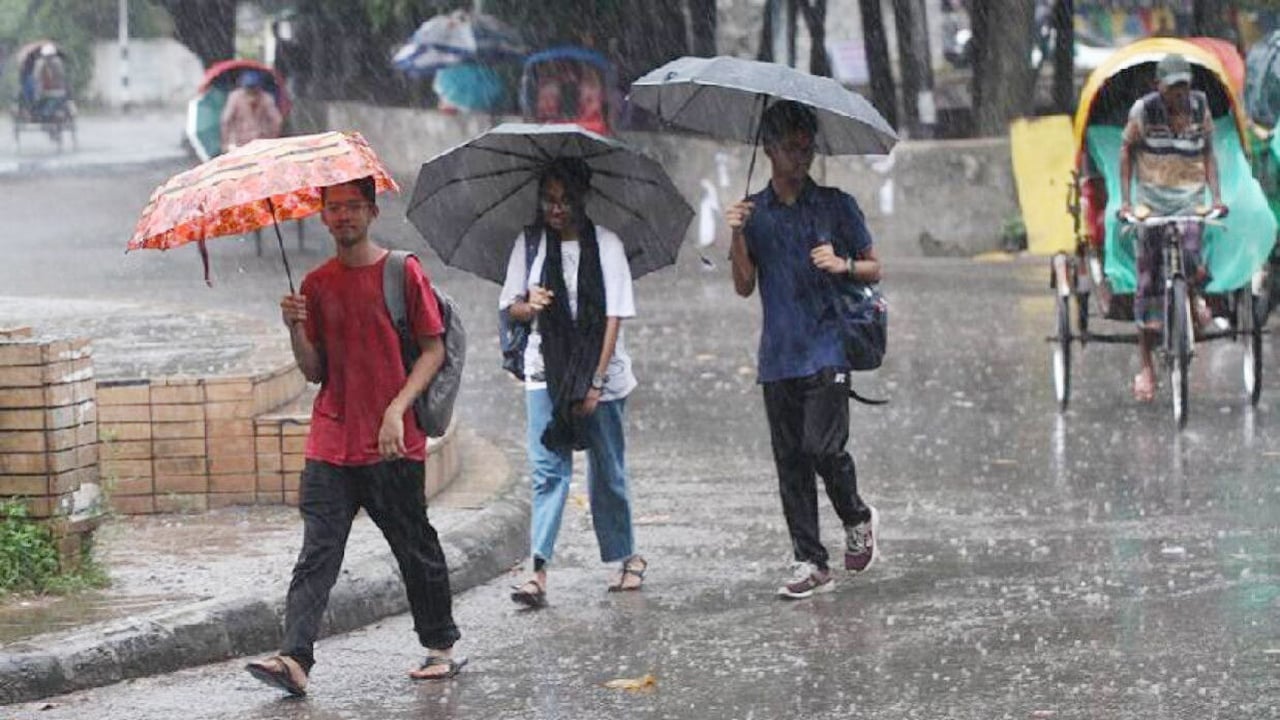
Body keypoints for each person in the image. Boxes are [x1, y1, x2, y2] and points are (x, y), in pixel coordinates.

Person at [245, 176, 464, 695]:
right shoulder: (316, 285)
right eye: (333, 208)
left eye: (352, 207)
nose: (343, 216)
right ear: (322, 216)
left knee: (413, 545)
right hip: (332, 442)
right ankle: (294, 658)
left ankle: (440, 646)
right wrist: (295, 329)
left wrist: (397, 409)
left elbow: (433, 349)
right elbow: (315, 371)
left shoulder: (401, 272)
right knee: (317, 553)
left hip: (392, 441)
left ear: (371, 212)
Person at [725, 101, 881, 600]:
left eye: (806, 147)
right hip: (778, 355)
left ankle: (855, 514)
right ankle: (810, 561)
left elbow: (874, 268)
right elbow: (744, 286)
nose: (800, 157)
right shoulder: (754, 215)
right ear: (768, 149)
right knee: (790, 462)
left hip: (829, 346)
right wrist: (735, 232)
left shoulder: (836, 205)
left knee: (822, 447)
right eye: (790, 148)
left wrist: (843, 265)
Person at [498, 158, 646, 608]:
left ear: (582, 200)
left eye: (565, 200)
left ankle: (626, 556)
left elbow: (614, 316)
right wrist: (531, 304)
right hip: (547, 370)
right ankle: (537, 571)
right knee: (547, 472)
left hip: (601, 372)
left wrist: (597, 381)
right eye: (549, 200)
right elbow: (510, 308)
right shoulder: (529, 246)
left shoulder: (606, 245)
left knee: (607, 472)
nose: (556, 209)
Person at [1118, 53, 1228, 403]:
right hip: (1152, 201)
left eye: (1184, 86)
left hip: (1189, 198)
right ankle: (1147, 368)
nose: (1180, 94)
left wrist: (1216, 196)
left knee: (1193, 253)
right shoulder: (1143, 112)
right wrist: (1125, 201)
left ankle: (1194, 298)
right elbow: (1125, 151)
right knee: (1148, 280)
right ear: (1159, 88)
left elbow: (1208, 150)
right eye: (1173, 88)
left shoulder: (1200, 107)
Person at [219, 70, 283, 153]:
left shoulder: (235, 97)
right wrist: (271, 137)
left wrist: (226, 142)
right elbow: (277, 121)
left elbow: (225, 120)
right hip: (253, 142)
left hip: (250, 142)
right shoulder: (265, 97)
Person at [30, 44, 68, 117]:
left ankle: (45, 111)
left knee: (57, 98)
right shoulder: (41, 63)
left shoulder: (56, 62)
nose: (48, 58)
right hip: (44, 90)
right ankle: (43, 111)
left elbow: (60, 75)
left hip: (53, 89)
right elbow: (36, 77)